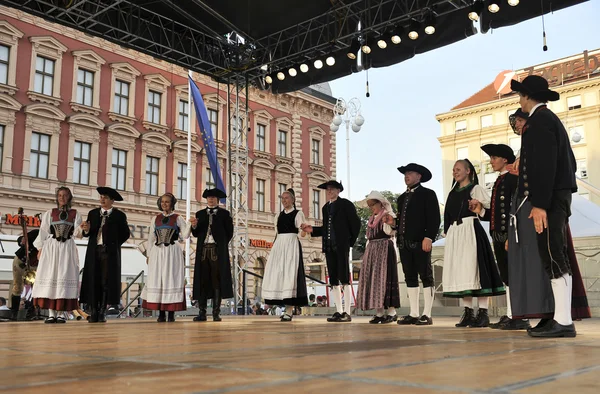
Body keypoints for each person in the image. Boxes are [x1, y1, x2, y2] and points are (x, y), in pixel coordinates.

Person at [505, 96, 589, 336]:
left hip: (550, 199)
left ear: (529, 97)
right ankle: (560, 319)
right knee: (553, 254)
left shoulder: (539, 121)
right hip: (557, 196)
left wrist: (540, 203)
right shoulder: (549, 120)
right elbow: (568, 163)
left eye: (521, 96)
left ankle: (563, 321)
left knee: (553, 254)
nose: (520, 101)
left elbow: (545, 164)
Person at [470, 144, 529, 331]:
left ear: (505, 159)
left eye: (494, 157)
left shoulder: (513, 179)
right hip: (498, 234)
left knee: (514, 275)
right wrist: (480, 210)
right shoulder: (500, 181)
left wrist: (511, 236)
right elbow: (495, 213)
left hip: (510, 234)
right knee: (507, 276)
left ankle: (519, 315)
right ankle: (513, 314)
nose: (491, 161)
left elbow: (516, 210)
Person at [442, 160, 505, 328]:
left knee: (477, 269)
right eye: (453, 169)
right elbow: (447, 215)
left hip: (471, 230)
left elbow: (490, 212)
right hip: (456, 233)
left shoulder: (475, 189)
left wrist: (478, 208)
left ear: (468, 171)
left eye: (458, 169)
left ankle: (483, 313)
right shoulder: (452, 193)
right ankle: (468, 313)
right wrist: (449, 232)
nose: (455, 172)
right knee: (463, 272)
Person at [385, 163, 440, 326]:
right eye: (405, 173)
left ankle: (427, 314)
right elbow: (403, 221)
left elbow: (434, 218)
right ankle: (414, 313)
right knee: (410, 277)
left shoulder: (428, 194)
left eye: (410, 173)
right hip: (404, 242)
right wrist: (393, 222)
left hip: (420, 241)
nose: (406, 176)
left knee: (426, 276)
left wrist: (429, 237)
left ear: (419, 176)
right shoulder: (402, 198)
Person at [301, 180, 361, 323]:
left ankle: (347, 312)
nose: (329, 192)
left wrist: (348, 242)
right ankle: (338, 311)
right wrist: (312, 230)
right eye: (328, 189)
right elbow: (325, 228)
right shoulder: (325, 208)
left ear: (339, 190)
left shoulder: (346, 204)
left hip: (341, 245)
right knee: (333, 278)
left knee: (344, 277)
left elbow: (356, 224)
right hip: (329, 246)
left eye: (332, 189)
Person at [80, 187, 131, 323]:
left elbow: (125, 234)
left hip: (109, 253)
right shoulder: (93, 213)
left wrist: (114, 244)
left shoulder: (119, 215)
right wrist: (86, 230)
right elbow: (88, 233)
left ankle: (102, 310)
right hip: (94, 251)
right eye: (101, 196)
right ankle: (94, 309)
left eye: (106, 197)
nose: (102, 199)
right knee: (93, 279)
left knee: (106, 281)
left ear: (112, 200)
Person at [32, 187, 82, 324]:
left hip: (67, 248)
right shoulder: (49, 213)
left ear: (69, 197)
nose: (62, 198)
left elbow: (78, 233)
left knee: (64, 276)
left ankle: (61, 313)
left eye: (65, 195)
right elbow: (43, 231)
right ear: (57, 197)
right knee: (51, 275)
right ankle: (51, 313)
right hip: (52, 247)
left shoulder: (75, 214)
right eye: (60, 195)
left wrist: (83, 229)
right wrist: (40, 248)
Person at [141, 193, 191, 323]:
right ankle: (161, 313)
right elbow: (151, 238)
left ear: (172, 203)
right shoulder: (155, 218)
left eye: (167, 202)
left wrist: (190, 223)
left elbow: (185, 235)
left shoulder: (178, 218)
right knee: (159, 279)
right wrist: (149, 255)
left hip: (172, 250)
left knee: (170, 279)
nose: (164, 204)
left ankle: (171, 313)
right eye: (162, 202)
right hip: (158, 252)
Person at [261, 189, 308, 321]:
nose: (284, 200)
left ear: (292, 200)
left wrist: (304, 230)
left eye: (286, 198)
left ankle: (289, 311)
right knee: (279, 276)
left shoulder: (298, 214)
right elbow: (277, 233)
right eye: (282, 198)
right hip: (279, 246)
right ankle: (285, 309)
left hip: (291, 245)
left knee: (290, 275)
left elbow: (302, 234)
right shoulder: (278, 216)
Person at [190, 188, 233, 322]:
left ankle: (216, 312)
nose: (211, 199)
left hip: (216, 251)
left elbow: (229, 233)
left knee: (217, 281)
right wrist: (194, 226)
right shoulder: (200, 214)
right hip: (203, 250)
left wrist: (221, 244)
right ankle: (202, 312)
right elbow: (196, 234)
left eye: (213, 197)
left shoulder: (225, 214)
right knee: (202, 280)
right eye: (209, 197)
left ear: (217, 199)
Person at [357, 191, 400, 324]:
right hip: (372, 250)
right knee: (374, 280)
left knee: (385, 277)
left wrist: (389, 222)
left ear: (380, 203)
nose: (371, 207)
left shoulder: (388, 215)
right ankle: (379, 312)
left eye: (373, 204)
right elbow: (369, 237)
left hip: (384, 248)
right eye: (369, 205)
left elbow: (391, 231)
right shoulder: (371, 219)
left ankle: (392, 312)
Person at [10, 229, 39, 320]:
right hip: (21, 261)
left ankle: (32, 311)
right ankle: (14, 313)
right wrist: (21, 240)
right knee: (17, 287)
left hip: (36, 264)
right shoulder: (37, 232)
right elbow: (22, 238)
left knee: (37, 288)